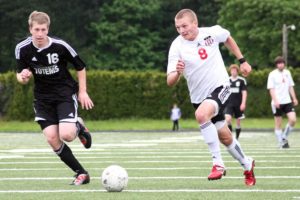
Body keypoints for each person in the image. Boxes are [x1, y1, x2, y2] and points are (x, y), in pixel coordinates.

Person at [166, 9, 255, 186]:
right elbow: (170, 81)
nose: (182, 30)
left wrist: (242, 60)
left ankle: (218, 164)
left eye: (184, 26)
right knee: (226, 137)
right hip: (198, 97)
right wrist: (177, 71)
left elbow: (228, 37)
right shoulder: (177, 46)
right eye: (178, 27)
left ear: (195, 23)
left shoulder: (211, 33)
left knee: (201, 115)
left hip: (221, 87)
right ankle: (247, 163)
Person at [15, 11, 94, 185]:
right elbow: (20, 76)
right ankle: (81, 173)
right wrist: (24, 77)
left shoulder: (60, 46)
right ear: (30, 29)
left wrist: (82, 92)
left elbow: (80, 67)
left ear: (48, 29)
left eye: (43, 29)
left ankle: (78, 126)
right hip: (42, 99)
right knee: (52, 138)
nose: (40, 34)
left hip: (64, 94)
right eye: (37, 29)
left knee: (66, 135)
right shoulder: (22, 49)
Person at [267, 56, 298, 148]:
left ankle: (284, 137)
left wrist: (294, 98)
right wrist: (276, 101)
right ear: (276, 65)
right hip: (277, 103)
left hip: (287, 101)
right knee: (278, 123)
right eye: (279, 63)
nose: (281, 64)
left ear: (284, 64)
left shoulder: (287, 73)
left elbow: (290, 86)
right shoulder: (272, 74)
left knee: (293, 119)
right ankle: (281, 142)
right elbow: (271, 89)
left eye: (282, 63)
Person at [224, 64, 248, 140]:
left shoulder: (241, 80)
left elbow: (244, 92)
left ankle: (237, 139)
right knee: (228, 119)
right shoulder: (227, 80)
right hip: (229, 104)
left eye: (235, 70)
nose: (233, 72)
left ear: (237, 71)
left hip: (238, 104)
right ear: (230, 71)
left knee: (238, 122)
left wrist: (243, 103)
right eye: (232, 70)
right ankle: (231, 137)